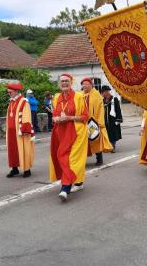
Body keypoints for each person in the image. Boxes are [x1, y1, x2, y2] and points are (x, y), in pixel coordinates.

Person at [49, 73, 89, 202]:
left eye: (67, 81)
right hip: (61, 132)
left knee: (73, 159)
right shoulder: (56, 97)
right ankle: (79, 182)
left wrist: (69, 118)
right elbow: (54, 115)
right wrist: (56, 118)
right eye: (62, 81)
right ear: (59, 84)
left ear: (71, 82)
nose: (64, 83)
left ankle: (65, 188)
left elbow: (85, 116)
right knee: (61, 156)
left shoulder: (79, 96)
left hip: (76, 132)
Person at [81, 77, 113, 168]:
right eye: (83, 84)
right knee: (83, 141)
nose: (84, 86)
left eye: (86, 84)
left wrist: (99, 122)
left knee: (95, 139)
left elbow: (100, 109)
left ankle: (99, 158)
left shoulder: (96, 95)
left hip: (93, 121)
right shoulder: (80, 95)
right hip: (83, 121)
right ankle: (81, 159)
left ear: (91, 85)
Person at [5, 82, 34, 178]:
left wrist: (24, 129)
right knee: (13, 150)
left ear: (16, 91)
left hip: (20, 131)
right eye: (8, 92)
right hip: (11, 131)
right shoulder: (11, 102)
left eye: (10, 92)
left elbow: (26, 116)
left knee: (24, 149)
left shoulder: (24, 101)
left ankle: (27, 169)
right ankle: (14, 168)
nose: (9, 94)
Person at [101, 85, 123, 152]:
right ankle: (108, 146)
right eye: (103, 92)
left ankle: (113, 147)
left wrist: (118, 119)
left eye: (104, 92)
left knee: (113, 133)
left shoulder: (114, 99)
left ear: (107, 92)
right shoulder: (102, 100)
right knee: (106, 133)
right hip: (105, 120)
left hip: (112, 120)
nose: (103, 94)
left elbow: (118, 110)